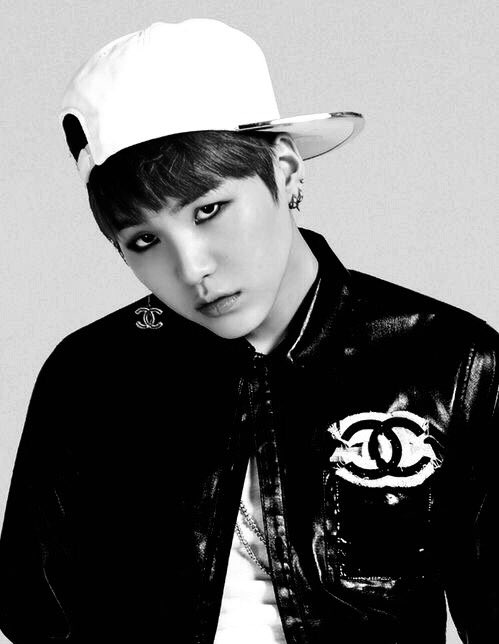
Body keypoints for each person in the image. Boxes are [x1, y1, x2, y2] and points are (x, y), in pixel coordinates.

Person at [0, 18, 497, 644]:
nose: (192, 269)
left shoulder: (449, 359)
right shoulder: (92, 374)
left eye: (209, 210)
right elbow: (34, 612)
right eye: (144, 240)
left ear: (285, 171)